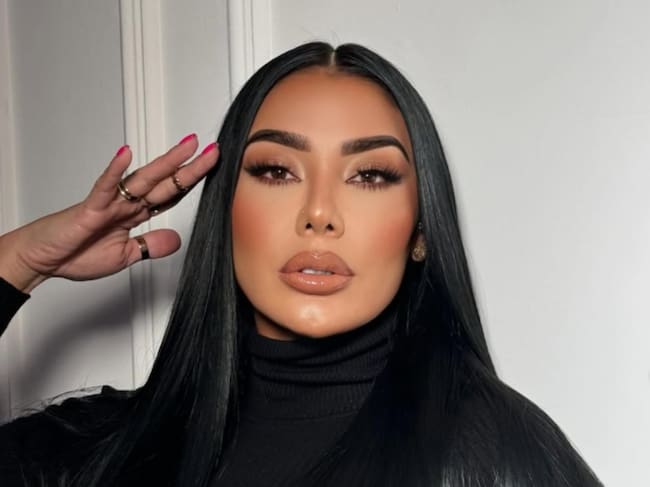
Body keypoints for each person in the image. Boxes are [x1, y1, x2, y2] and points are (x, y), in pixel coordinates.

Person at [0, 42, 602, 486]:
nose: (319, 213)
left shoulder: (494, 456)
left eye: (370, 176)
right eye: (276, 171)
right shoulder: (96, 452)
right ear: (226, 212)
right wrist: (17, 263)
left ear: (421, 232)